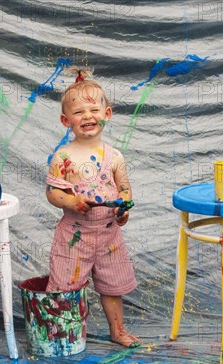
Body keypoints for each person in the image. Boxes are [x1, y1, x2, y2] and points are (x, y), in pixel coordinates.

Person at [45, 67, 140, 348]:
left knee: (113, 287)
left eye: (93, 109)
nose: (87, 116)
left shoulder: (115, 157)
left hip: (109, 236)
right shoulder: (62, 156)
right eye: (78, 112)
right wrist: (72, 201)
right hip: (75, 237)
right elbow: (52, 192)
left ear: (107, 114)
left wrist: (123, 209)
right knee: (66, 287)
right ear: (66, 121)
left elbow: (124, 189)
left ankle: (118, 330)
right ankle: (64, 332)